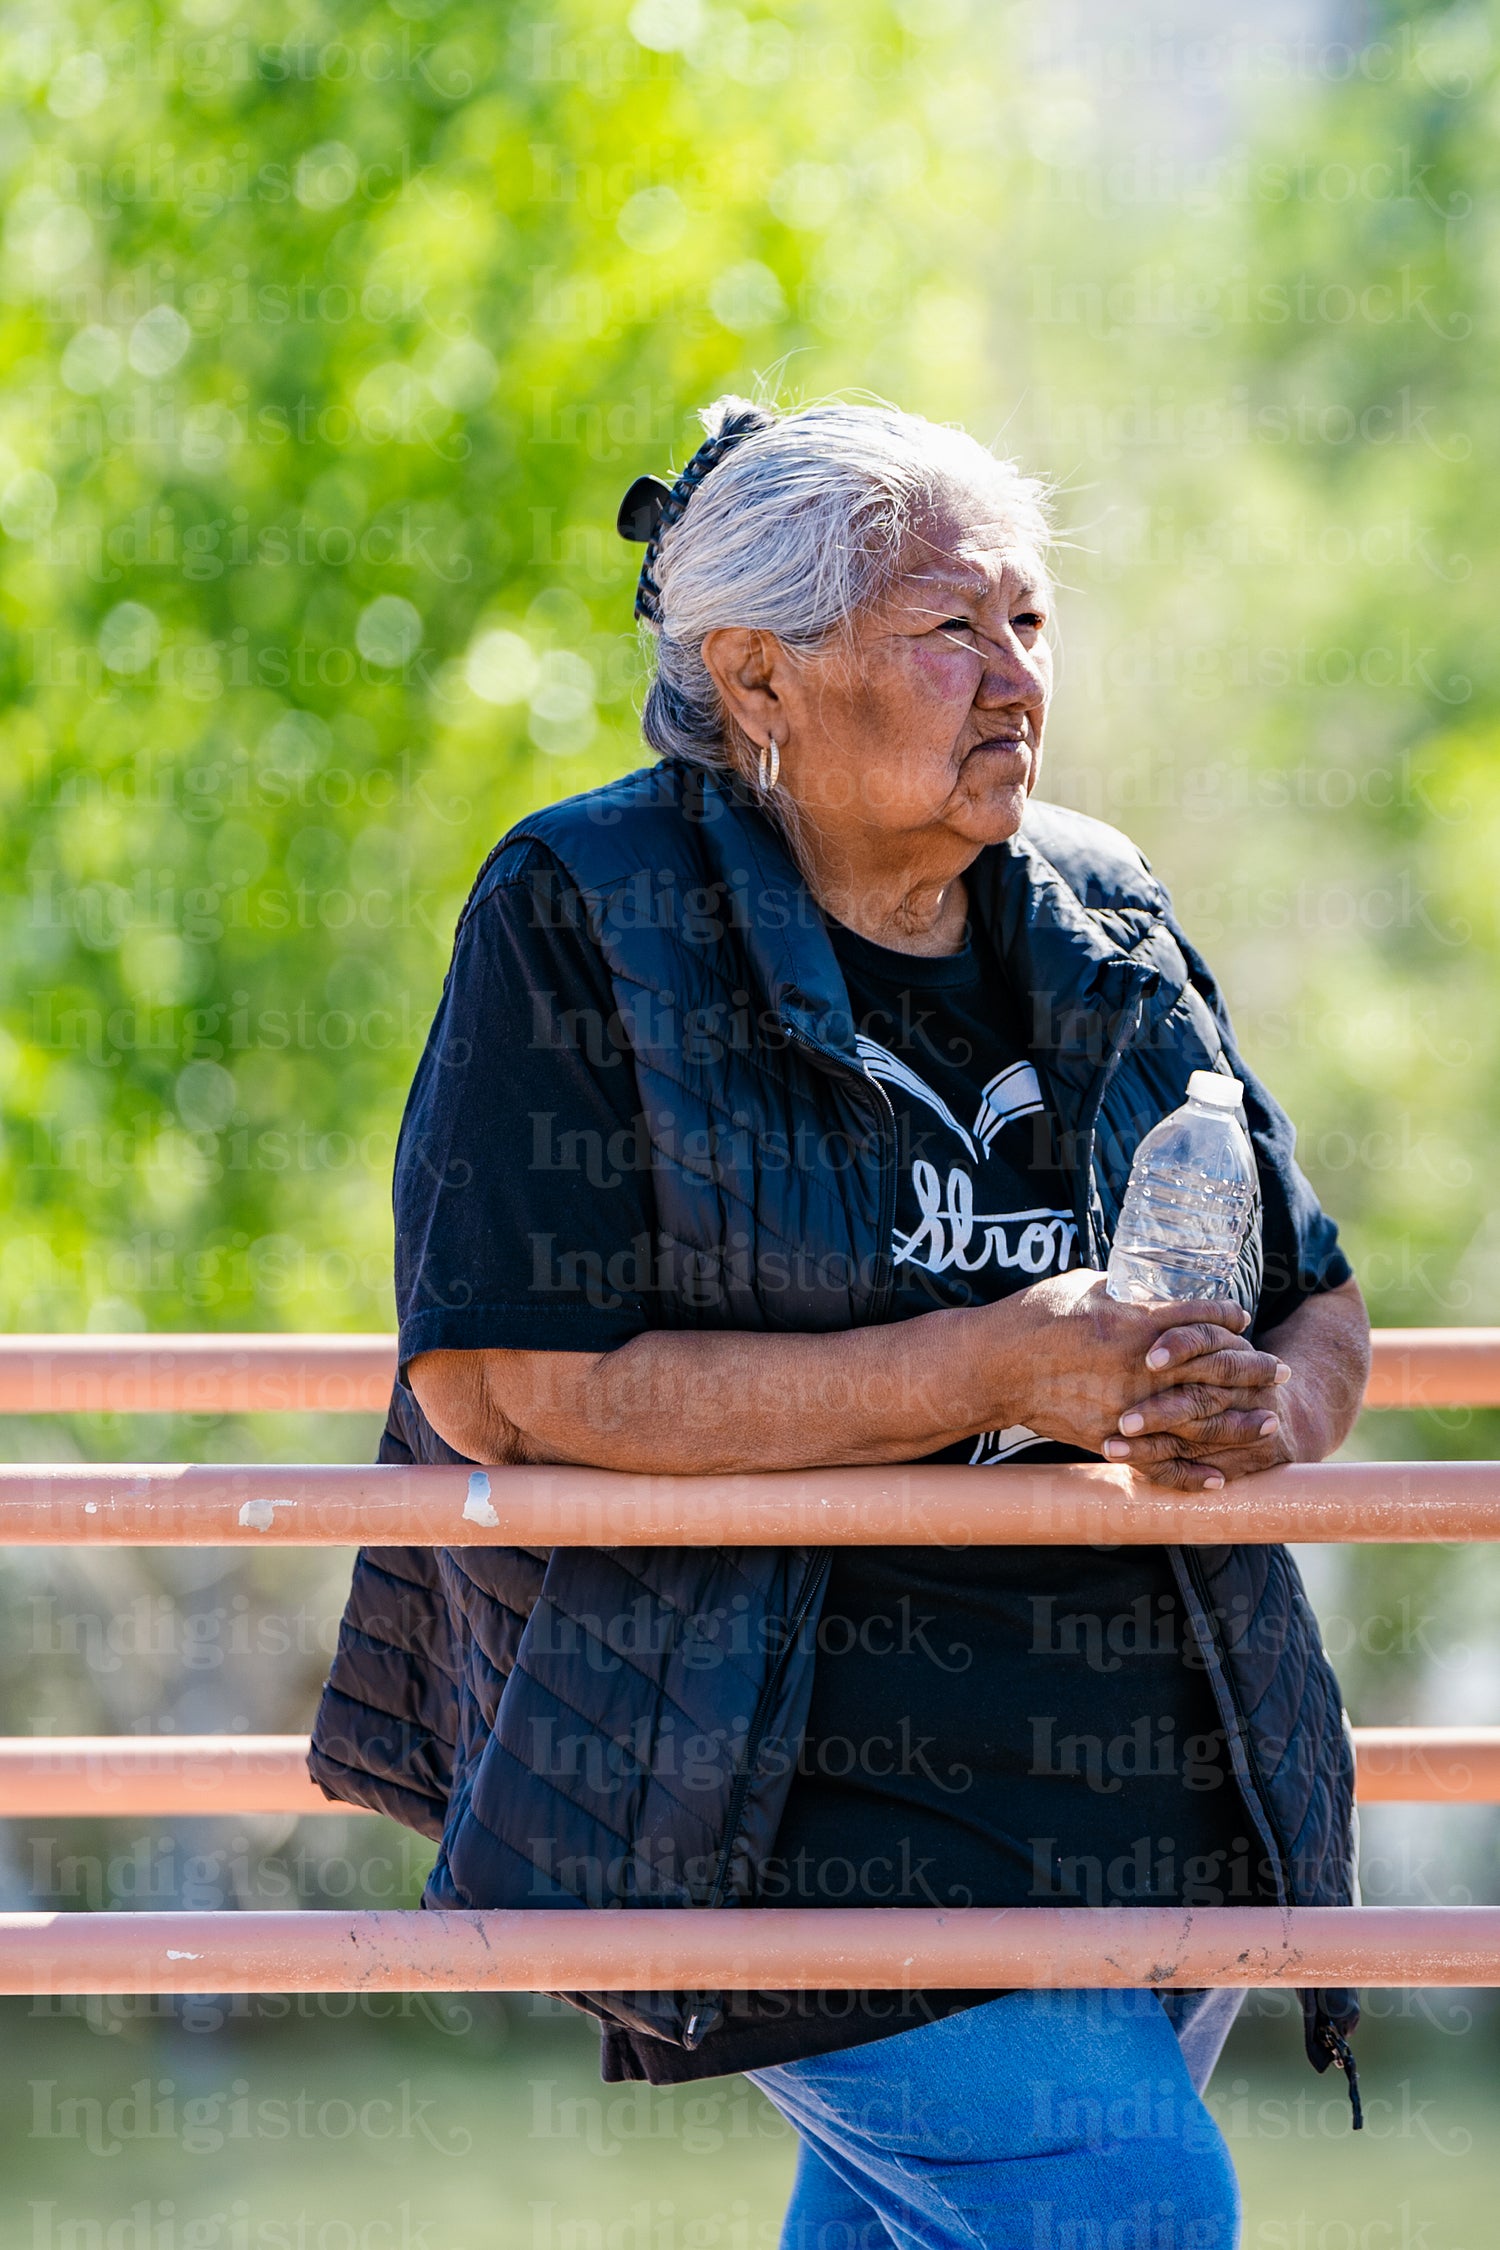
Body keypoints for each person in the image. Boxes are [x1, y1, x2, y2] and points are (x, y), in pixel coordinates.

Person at [311, 398, 1371, 2249]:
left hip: (1155, 1764)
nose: (1014, 679)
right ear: (759, 676)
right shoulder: (585, 908)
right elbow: (503, 1385)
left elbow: (1321, 1305)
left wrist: (1256, 1405)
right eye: (950, 630)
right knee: (1126, 2199)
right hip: (775, 1781)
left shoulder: (1105, 906)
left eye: (1029, 625)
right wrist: (992, 1360)